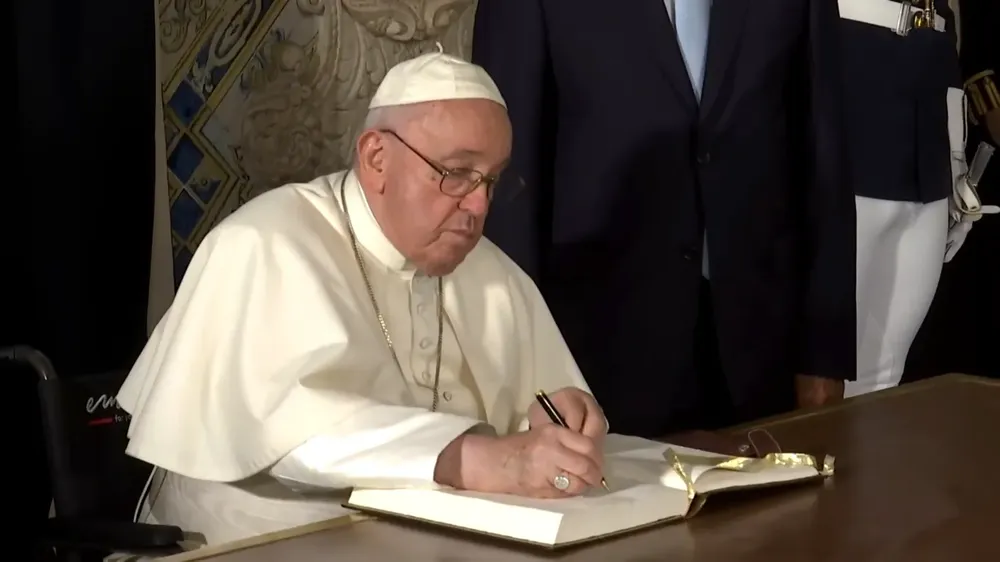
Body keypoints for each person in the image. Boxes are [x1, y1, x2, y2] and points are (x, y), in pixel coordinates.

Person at [116, 50, 608, 547]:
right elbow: (286, 437)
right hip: (249, 542)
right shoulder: (265, 243)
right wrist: (473, 458)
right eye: (456, 173)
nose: (479, 204)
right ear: (376, 158)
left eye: (492, 180)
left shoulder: (493, 273)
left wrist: (553, 425)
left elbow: (535, 419)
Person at [471, 0, 856, 437]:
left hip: (763, 350)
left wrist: (823, 353)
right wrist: (523, 369)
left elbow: (823, 153)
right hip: (594, 358)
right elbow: (509, 179)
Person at [838, 0, 987, 397]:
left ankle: (864, 461)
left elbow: (948, 30)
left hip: (926, 121)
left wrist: (957, 162)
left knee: (884, 373)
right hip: (850, 82)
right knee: (821, 367)